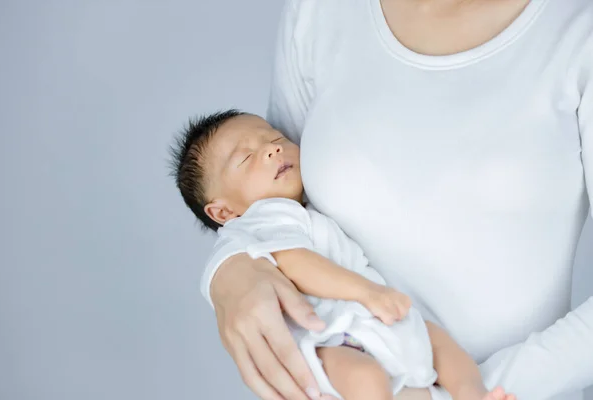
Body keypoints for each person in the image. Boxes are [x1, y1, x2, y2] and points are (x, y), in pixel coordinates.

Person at [200, 0, 593, 399]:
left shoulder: (579, 29)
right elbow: (272, 199)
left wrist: (455, 394)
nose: (270, 149)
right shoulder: (318, 11)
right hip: (360, 362)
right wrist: (229, 269)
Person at [170, 110, 518, 400]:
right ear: (223, 213)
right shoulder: (262, 219)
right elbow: (295, 262)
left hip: (369, 323)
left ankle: (474, 394)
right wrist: (368, 293)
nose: (272, 150)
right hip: (331, 338)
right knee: (366, 380)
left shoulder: (307, 207)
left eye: (275, 139)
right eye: (246, 157)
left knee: (439, 344)